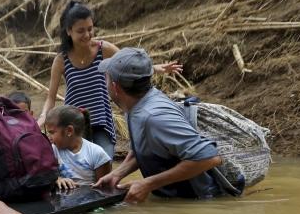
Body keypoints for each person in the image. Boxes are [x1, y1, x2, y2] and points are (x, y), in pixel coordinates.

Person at [37, 1, 183, 159]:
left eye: (90, 29)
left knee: (104, 162)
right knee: (79, 167)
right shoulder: (61, 60)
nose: (87, 35)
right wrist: (43, 117)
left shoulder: (103, 49)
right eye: (80, 31)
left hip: (102, 121)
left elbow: (129, 65)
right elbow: (51, 98)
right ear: (68, 31)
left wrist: (155, 68)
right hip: (74, 125)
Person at [93, 47, 222, 203]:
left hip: (198, 201)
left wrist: (148, 183)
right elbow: (145, 147)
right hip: (174, 199)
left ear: (115, 87)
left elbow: (210, 158)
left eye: (106, 78)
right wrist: (117, 173)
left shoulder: (154, 117)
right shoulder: (134, 105)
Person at [45, 105, 112, 190]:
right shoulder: (53, 150)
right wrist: (57, 179)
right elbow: (46, 176)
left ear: (69, 130)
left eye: (52, 132)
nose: (49, 137)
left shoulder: (97, 153)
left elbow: (106, 189)